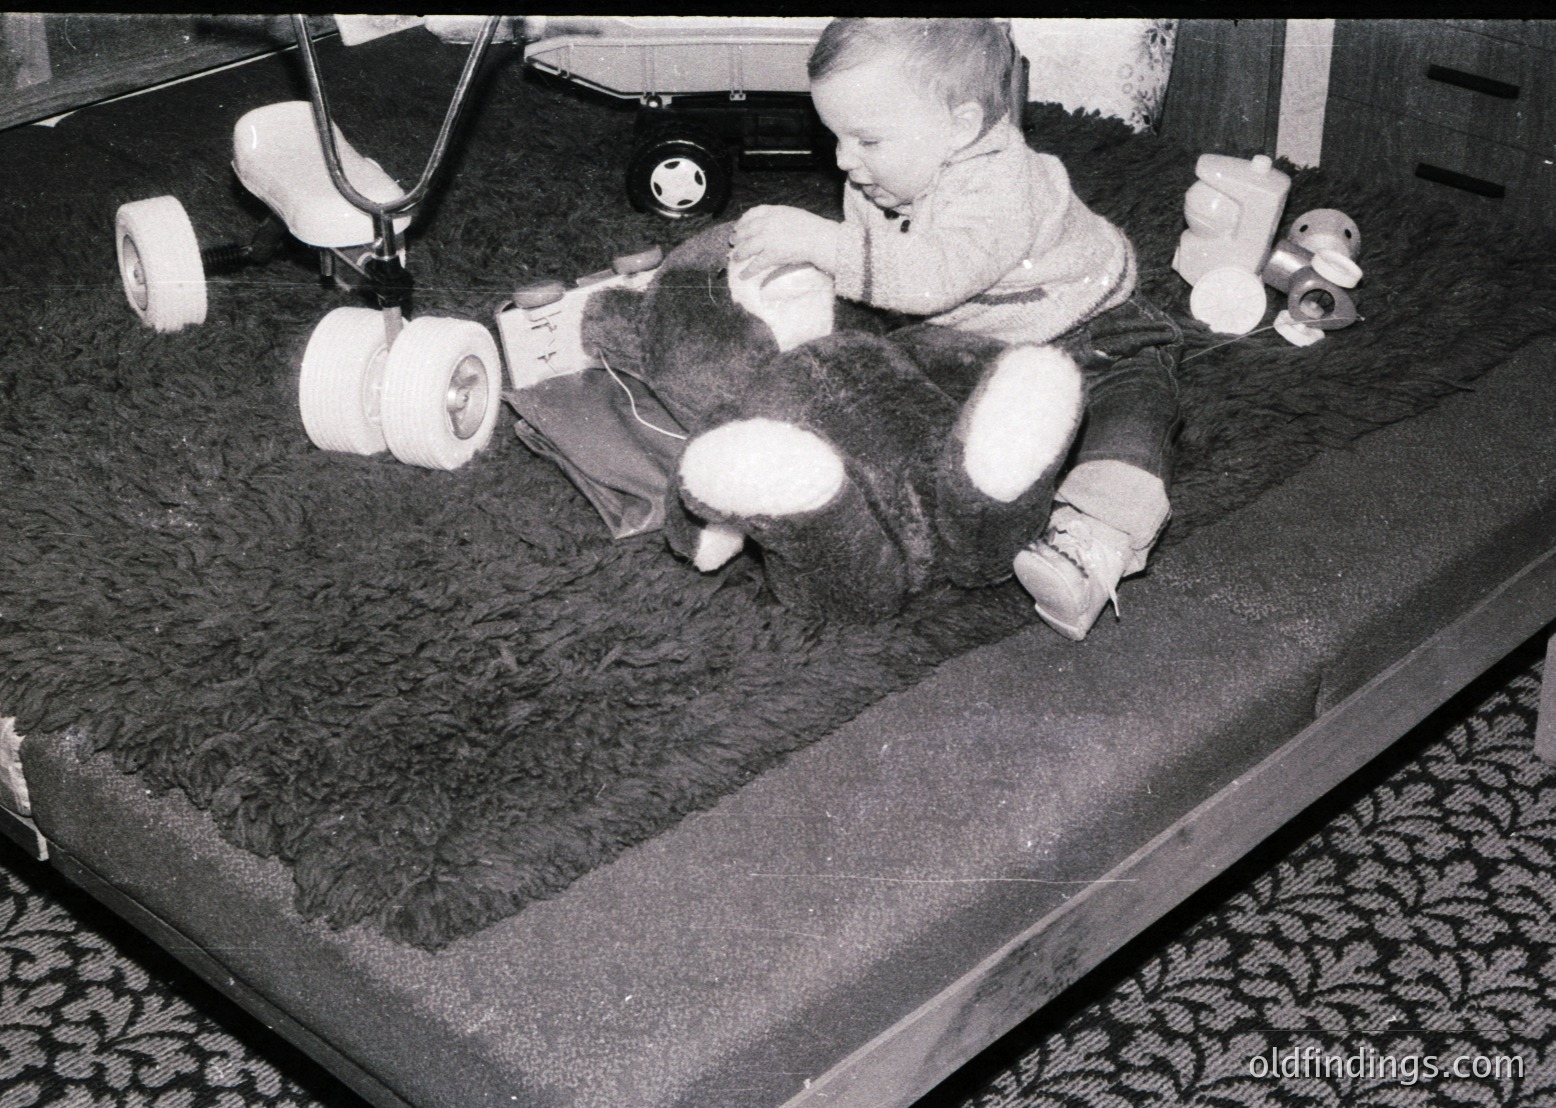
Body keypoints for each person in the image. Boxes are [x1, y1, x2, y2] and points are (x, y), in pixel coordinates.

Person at [730, 16, 1181, 640]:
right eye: (835, 137)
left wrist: (824, 245)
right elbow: (880, 276)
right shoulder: (881, 178)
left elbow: (932, 277)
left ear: (962, 127)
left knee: (1133, 410)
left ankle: (1091, 541)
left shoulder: (1002, 180)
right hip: (982, 344)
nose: (842, 158)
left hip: (1093, 328)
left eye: (866, 140)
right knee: (902, 393)